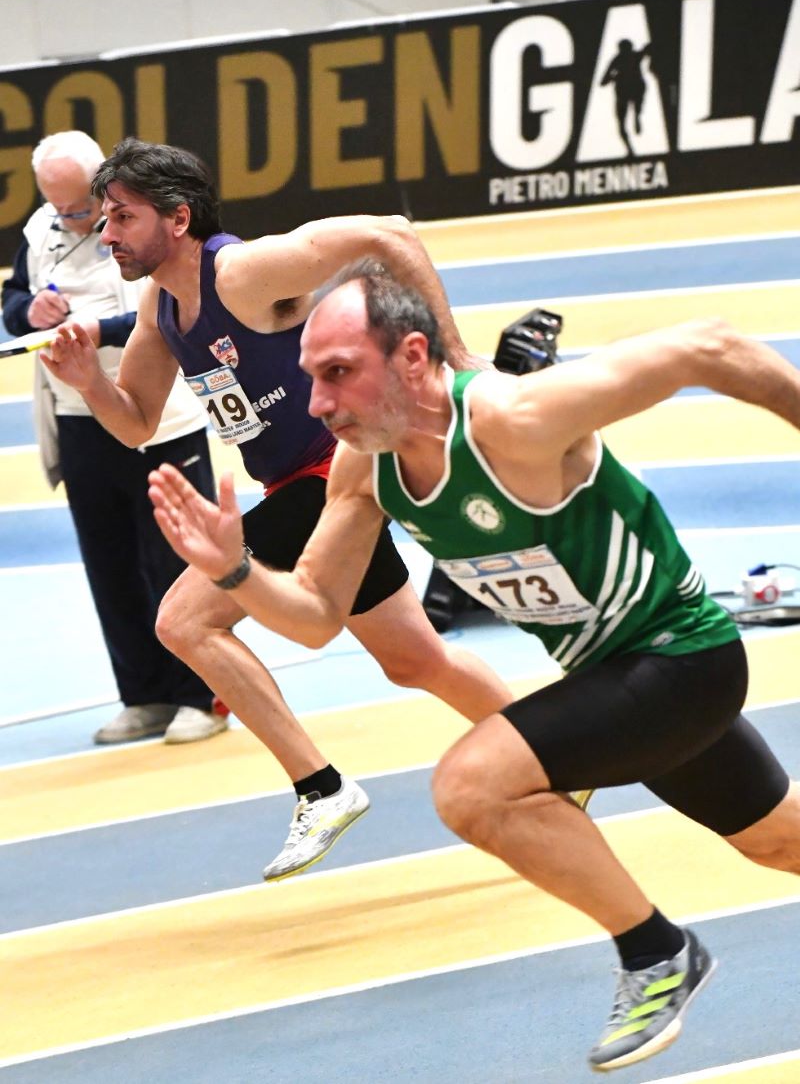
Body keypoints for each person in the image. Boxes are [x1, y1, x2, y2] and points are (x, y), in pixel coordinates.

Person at [146, 262, 800, 1073]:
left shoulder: (512, 418)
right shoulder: (365, 469)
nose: (317, 402)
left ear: (412, 356)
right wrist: (237, 570)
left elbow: (713, 345)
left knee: (471, 785)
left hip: (682, 658)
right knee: (778, 841)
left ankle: (656, 952)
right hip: (615, 680)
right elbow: (313, 612)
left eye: (339, 372)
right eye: (312, 376)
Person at [41, 138, 514, 883]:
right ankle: (551, 747)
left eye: (122, 217)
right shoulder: (161, 304)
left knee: (183, 620)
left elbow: (391, 233)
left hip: (336, 472)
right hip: (295, 484)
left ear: (178, 218)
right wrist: (87, 381)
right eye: (104, 219)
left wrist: (456, 357)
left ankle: (322, 788)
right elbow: (135, 422)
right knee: (415, 659)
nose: (107, 235)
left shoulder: (242, 272)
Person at [1, 130, 221, 746]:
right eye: (59, 207)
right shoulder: (40, 229)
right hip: (79, 417)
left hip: (163, 422)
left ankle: (202, 696)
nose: (72, 220)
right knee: (110, 565)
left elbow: (171, 304)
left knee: (178, 562)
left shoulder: (145, 230)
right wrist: (29, 313)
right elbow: (13, 298)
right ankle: (144, 695)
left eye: (81, 208)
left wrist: (95, 330)